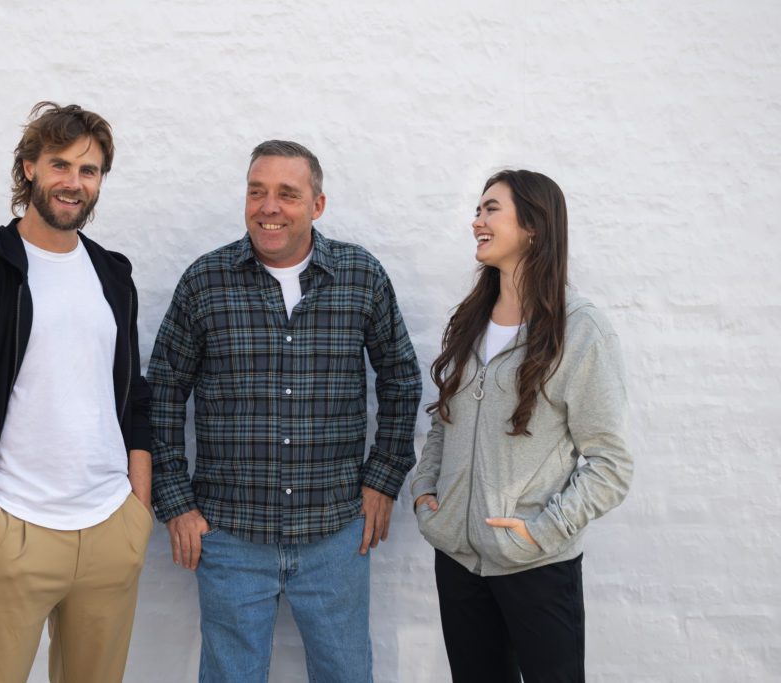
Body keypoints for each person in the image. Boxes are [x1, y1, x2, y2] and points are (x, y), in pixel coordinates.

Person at [147, 140, 422, 682]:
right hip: (230, 534)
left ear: (317, 205)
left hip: (335, 533)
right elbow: (161, 393)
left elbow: (401, 379)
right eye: (257, 192)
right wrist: (176, 503)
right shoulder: (206, 281)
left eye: (287, 194)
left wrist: (383, 479)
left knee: (346, 674)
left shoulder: (360, 276)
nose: (268, 207)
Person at [0, 101, 153, 683]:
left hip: (110, 530)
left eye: (89, 169)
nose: (74, 182)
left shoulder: (113, 275)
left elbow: (133, 396)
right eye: (60, 164)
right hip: (16, 529)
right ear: (29, 168)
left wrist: (137, 510)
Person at [411, 169, 633, 682]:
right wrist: (426, 494)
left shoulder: (580, 330)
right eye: (477, 210)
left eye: (491, 209)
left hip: (537, 565)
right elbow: (446, 422)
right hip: (459, 561)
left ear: (533, 226)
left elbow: (611, 464)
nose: (477, 221)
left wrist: (542, 532)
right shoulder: (470, 320)